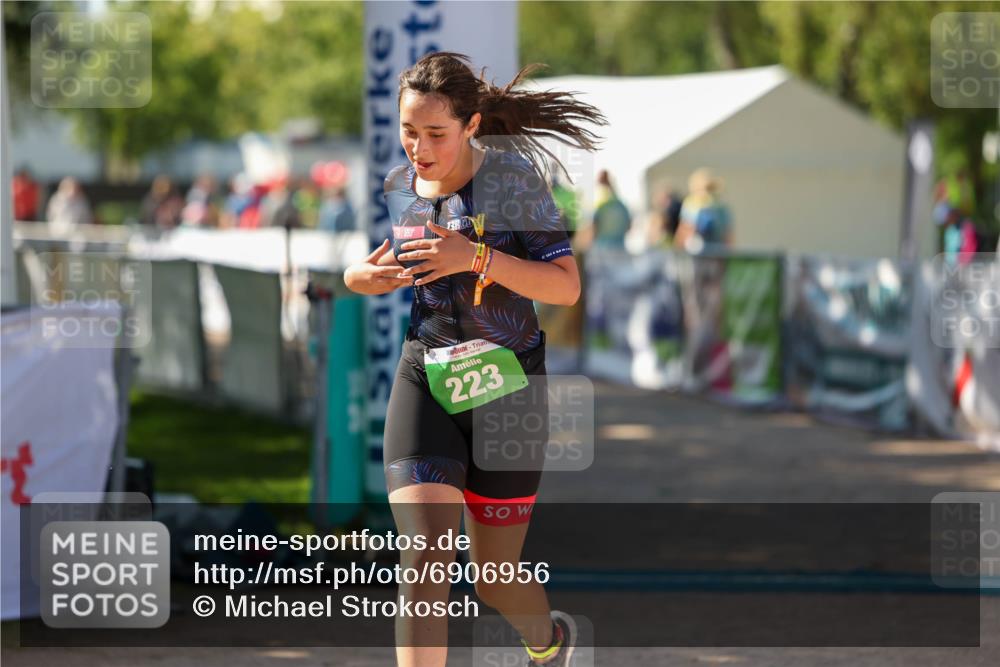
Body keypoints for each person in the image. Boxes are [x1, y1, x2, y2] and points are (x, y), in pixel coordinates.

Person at [344, 51, 605, 667]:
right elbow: (372, 266)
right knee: (425, 555)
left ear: (471, 124)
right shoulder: (397, 187)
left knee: (493, 577)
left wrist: (476, 258)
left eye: (436, 133)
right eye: (409, 130)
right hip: (426, 377)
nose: (419, 147)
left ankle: (548, 642)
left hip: (508, 392)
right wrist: (361, 277)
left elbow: (565, 287)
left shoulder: (511, 183)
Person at [674, 167, 732, 254]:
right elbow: (684, 230)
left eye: (708, 188)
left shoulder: (721, 209)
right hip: (696, 250)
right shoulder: (690, 205)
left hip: (717, 251)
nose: (705, 193)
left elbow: (728, 235)